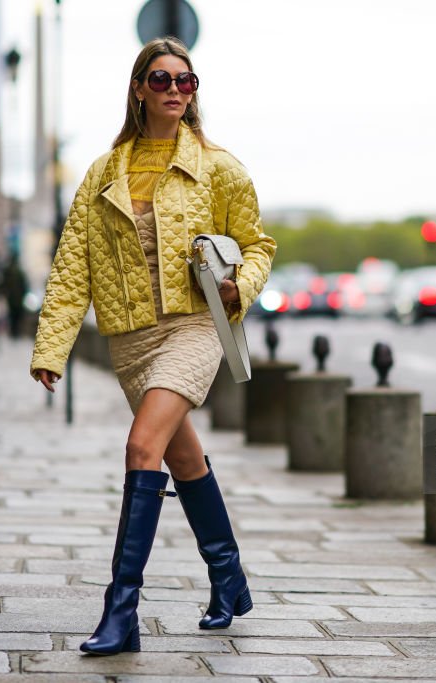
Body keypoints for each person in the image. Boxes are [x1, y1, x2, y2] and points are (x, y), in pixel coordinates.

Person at [29, 37, 276, 656]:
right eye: (161, 80)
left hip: (194, 327)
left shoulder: (220, 167)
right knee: (182, 459)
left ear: (194, 94)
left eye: (185, 82)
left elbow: (258, 246)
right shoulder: (101, 173)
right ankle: (230, 581)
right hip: (132, 341)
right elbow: (71, 269)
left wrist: (237, 286)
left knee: (143, 446)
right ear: (138, 88)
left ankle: (121, 613)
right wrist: (50, 348)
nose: (174, 90)